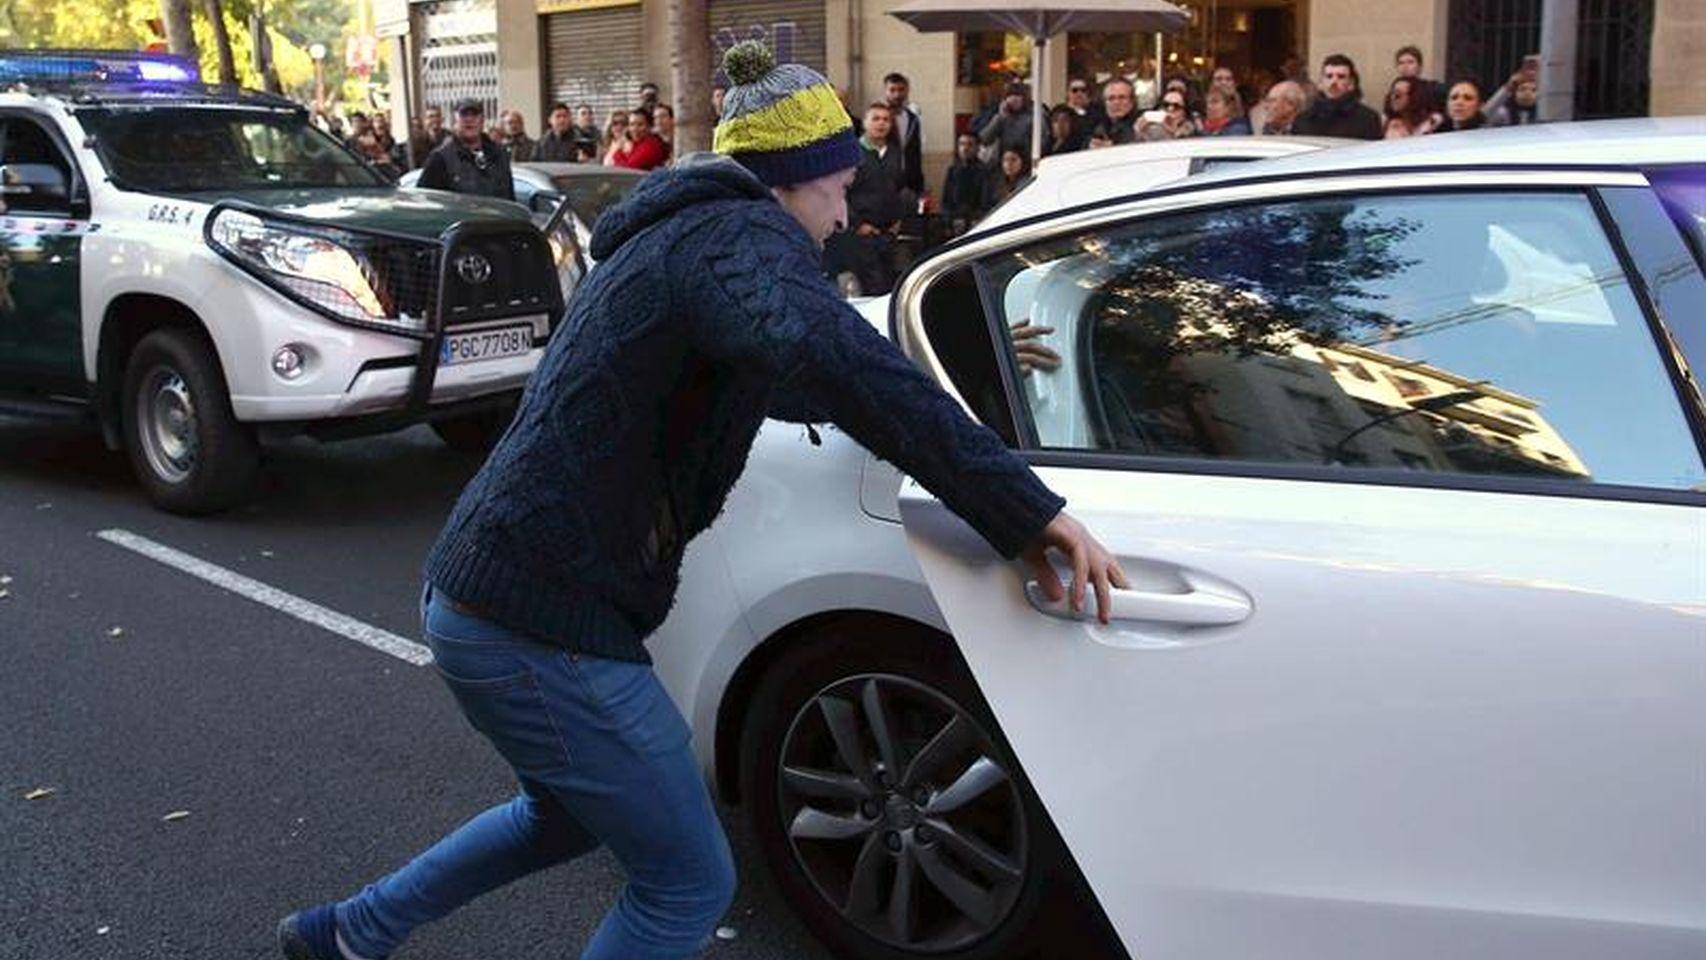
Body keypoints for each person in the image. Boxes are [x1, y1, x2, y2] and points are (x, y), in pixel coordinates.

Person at [276, 40, 1124, 959]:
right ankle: (351, 931)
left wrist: (949, 368)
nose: (843, 214)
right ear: (788, 182)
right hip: (538, 622)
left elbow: (785, 379)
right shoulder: (736, 238)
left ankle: (346, 934)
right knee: (686, 885)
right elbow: (831, 359)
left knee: (561, 818)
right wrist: (1027, 510)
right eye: (836, 185)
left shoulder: (689, 239)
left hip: (491, 597)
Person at [846, 102, 912, 296]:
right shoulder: (853, 153)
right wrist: (858, 224)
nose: (881, 124)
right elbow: (842, 193)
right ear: (865, 122)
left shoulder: (895, 152)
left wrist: (898, 219)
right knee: (872, 288)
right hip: (864, 234)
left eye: (886, 119)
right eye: (876, 118)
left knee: (894, 287)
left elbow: (901, 188)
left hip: (890, 233)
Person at [415, 99, 515, 200]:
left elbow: (510, 198)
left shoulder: (499, 154)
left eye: (474, 115)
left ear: (482, 120)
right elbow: (425, 201)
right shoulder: (441, 158)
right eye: (464, 115)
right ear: (455, 120)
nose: (469, 120)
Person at [1293, 53, 1383, 140]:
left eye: (1341, 77)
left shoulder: (1367, 119)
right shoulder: (1303, 119)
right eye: (1329, 76)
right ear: (1320, 83)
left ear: (1351, 84)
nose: (1334, 82)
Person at [940, 132, 992, 236]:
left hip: (975, 223)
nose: (965, 148)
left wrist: (969, 220)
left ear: (977, 148)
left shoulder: (984, 171)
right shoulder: (953, 170)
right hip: (954, 222)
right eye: (961, 144)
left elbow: (985, 203)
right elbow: (946, 200)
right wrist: (948, 222)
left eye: (969, 144)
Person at [883, 72, 925, 197]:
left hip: (909, 183)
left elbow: (916, 152)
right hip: (884, 181)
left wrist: (919, 185)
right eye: (892, 90)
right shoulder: (878, 118)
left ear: (907, 91)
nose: (897, 94)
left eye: (901, 90)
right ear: (886, 92)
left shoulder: (914, 119)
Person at [978, 81, 1035, 164]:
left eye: (1018, 95)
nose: (1014, 99)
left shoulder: (1033, 116)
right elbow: (985, 139)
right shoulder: (1002, 117)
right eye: (1010, 96)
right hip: (1004, 163)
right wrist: (1000, 117)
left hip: (1026, 162)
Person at [1393, 44, 1448, 114]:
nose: (1405, 66)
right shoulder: (1394, 89)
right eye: (1401, 63)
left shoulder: (1431, 88)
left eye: (1410, 62)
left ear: (1419, 66)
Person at [1089, 77, 1139, 147]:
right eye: (1111, 98)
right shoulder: (1096, 128)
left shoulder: (1141, 125)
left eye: (1122, 97)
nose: (1116, 102)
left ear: (1132, 101)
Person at [1062, 77, 1107, 144]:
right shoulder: (1060, 112)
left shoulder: (1096, 113)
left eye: (1083, 90)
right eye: (1075, 90)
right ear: (1068, 93)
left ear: (1087, 93)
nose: (1079, 93)